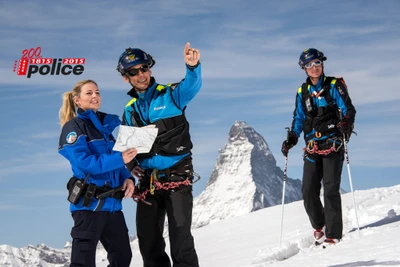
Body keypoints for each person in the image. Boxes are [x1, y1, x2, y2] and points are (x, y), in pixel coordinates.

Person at [116, 42, 201, 267]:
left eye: (144, 68)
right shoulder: (129, 109)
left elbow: (191, 86)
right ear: (126, 77)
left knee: (181, 240)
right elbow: (128, 147)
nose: (141, 75)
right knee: (148, 242)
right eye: (134, 72)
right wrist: (131, 165)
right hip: (147, 181)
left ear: (150, 69)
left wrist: (192, 67)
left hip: (177, 177)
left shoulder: (171, 95)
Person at [58, 79, 138, 267]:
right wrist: (121, 159)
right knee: (83, 263)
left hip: (112, 206)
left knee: (122, 258)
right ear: (77, 100)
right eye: (89, 93)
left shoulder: (105, 131)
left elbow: (116, 163)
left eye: (98, 92)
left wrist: (127, 178)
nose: (95, 96)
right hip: (88, 206)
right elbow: (85, 163)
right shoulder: (73, 128)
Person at [281, 48, 356, 246]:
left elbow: (349, 108)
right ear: (304, 69)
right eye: (309, 65)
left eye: (317, 63)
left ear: (322, 64)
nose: (314, 68)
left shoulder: (334, 85)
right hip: (312, 147)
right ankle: (319, 225)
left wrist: (346, 122)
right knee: (307, 190)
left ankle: (333, 235)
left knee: (330, 189)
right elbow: (299, 118)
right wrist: (292, 138)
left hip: (333, 143)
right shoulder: (302, 92)